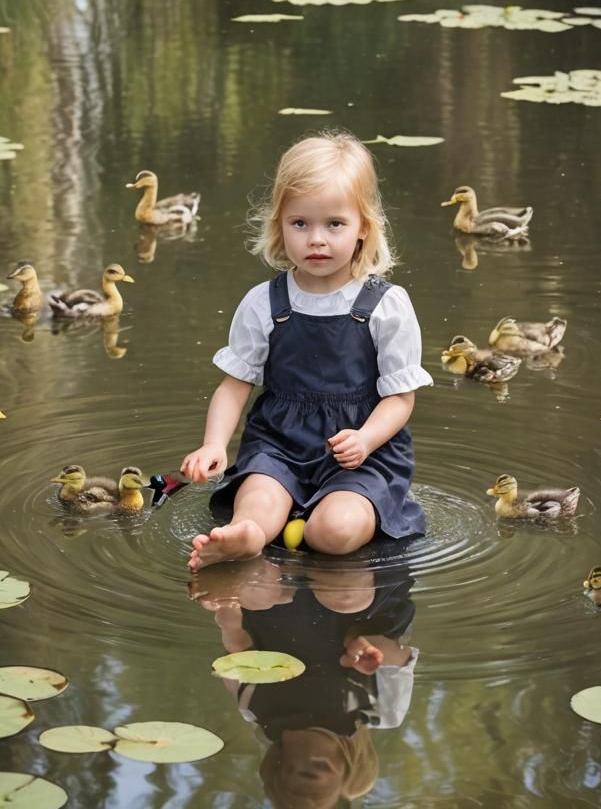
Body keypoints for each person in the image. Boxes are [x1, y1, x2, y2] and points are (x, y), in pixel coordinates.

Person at [180, 130, 432, 570]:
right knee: (258, 496)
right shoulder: (264, 302)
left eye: (334, 224)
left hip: (360, 453)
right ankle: (249, 535)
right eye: (301, 223)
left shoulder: (385, 305)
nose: (317, 239)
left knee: (332, 533)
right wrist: (213, 444)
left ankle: (323, 521)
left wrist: (366, 438)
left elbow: (400, 398)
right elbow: (234, 385)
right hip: (280, 442)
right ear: (279, 225)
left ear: (363, 229)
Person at [190, 557, 418, 809]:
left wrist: (225, 600)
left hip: (272, 589)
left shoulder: (255, 708)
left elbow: (237, 644)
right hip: (360, 587)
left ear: (278, 771)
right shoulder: (381, 712)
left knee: (257, 585)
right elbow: (400, 654)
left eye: (294, 780)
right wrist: (366, 644)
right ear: (348, 771)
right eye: (318, 769)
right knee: (345, 590)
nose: (305, 792)